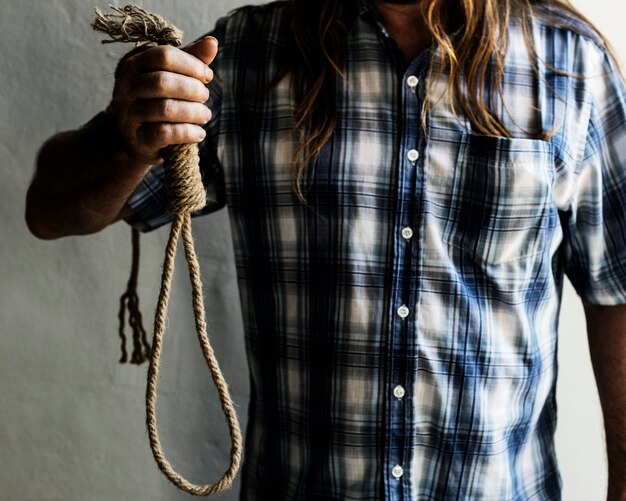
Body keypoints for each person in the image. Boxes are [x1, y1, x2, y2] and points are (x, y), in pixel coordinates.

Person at [26, 0, 626, 499]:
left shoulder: (570, 63)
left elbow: (618, 293)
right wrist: (124, 138)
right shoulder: (246, 56)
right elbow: (51, 212)